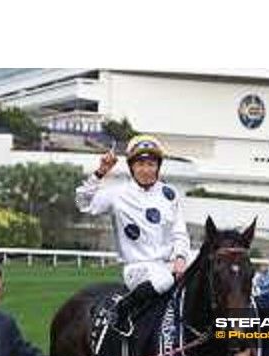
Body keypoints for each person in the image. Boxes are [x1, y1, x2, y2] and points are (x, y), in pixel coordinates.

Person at [75, 134, 191, 331]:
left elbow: (180, 232)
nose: (146, 170)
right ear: (132, 167)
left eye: (151, 164)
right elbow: (83, 203)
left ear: (158, 167)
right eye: (140, 164)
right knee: (164, 281)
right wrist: (101, 172)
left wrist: (181, 257)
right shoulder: (117, 194)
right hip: (138, 268)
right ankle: (121, 309)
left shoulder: (170, 194)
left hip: (169, 264)